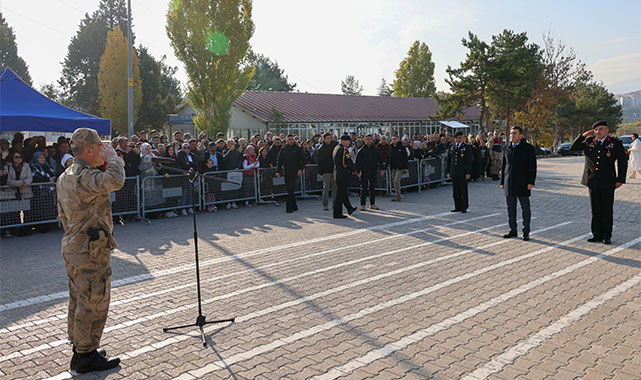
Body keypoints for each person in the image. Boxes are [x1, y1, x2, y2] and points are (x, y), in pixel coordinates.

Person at [56, 128, 124, 373]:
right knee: (94, 299)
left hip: (75, 245)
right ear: (88, 150)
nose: (102, 151)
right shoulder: (84, 176)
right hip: (89, 249)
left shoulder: (65, 176)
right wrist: (113, 158)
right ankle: (85, 355)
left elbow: (62, 215)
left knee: (79, 298)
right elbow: (115, 181)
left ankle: (82, 349)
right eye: (99, 147)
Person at [570, 120, 627, 244]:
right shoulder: (589, 142)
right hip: (592, 180)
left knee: (606, 209)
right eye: (596, 130)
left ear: (607, 130)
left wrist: (620, 179)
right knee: (595, 209)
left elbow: (623, 161)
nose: (598, 131)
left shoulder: (614, 143)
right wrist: (583, 135)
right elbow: (573, 147)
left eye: (601, 129)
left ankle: (607, 235)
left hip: (608, 181)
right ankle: (596, 234)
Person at [500, 127, 537, 241]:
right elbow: (503, 166)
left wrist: (531, 182)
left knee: (525, 209)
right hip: (509, 183)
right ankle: (513, 230)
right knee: (511, 209)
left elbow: (532, 167)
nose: (512, 135)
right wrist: (502, 181)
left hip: (523, 183)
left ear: (521, 135)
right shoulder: (507, 148)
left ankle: (526, 232)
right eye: (511, 133)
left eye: (515, 133)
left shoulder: (528, 148)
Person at [275, 135, 305, 213]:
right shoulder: (283, 149)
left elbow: (303, 160)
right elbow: (279, 161)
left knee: (291, 189)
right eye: (289, 140)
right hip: (286, 172)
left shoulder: (298, 149)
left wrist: (300, 169)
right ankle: (294, 205)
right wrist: (277, 171)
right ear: (286, 141)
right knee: (289, 190)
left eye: (292, 139)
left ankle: (289, 207)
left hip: (295, 172)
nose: (291, 141)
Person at [355, 134, 384, 210]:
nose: (369, 140)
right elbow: (357, 162)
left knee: (372, 188)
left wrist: (382, 169)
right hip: (364, 171)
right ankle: (363, 205)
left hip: (373, 171)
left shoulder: (375, 149)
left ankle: (372, 204)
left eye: (370, 139)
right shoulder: (361, 150)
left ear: (372, 140)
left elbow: (380, 160)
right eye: (367, 139)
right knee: (363, 188)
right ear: (364, 140)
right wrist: (357, 171)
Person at [446, 131, 473, 213]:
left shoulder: (466, 147)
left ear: (462, 138)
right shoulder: (452, 146)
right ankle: (457, 206)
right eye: (457, 138)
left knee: (463, 191)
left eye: (460, 138)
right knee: (455, 191)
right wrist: (448, 172)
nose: (458, 139)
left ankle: (464, 207)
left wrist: (468, 172)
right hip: (454, 172)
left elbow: (469, 161)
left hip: (463, 172)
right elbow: (449, 160)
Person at [333, 135, 357, 218]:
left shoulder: (336, 148)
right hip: (343, 174)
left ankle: (349, 208)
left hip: (338, 173)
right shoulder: (344, 150)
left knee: (342, 193)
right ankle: (337, 213)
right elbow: (348, 162)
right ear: (343, 141)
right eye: (348, 141)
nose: (349, 143)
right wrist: (354, 170)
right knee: (340, 195)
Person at [316, 133, 338, 211]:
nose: (329, 140)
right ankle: (325, 204)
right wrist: (321, 172)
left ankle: (335, 204)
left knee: (335, 187)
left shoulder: (335, 145)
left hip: (334, 169)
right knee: (326, 188)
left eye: (330, 138)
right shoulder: (321, 149)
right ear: (323, 139)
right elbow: (319, 162)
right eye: (327, 138)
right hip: (326, 171)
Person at [388, 135, 409, 201]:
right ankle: (396, 195)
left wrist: (406, 167)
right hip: (393, 167)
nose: (394, 140)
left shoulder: (402, 148)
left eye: (395, 139)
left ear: (398, 139)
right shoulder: (390, 148)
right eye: (393, 139)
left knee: (396, 181)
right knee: (394, 182)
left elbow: (405, 158)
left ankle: (398, 196)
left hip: (400, 167)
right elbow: (388, 157)